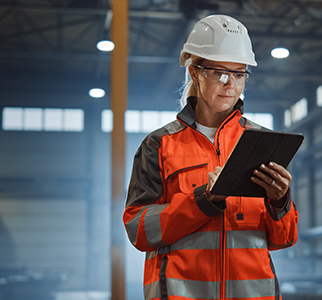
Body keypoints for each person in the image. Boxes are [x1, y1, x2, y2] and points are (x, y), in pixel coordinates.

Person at [123, 14, 299, 300]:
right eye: (219, 72)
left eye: (239, 74)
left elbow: (285, 238)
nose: (230, 84)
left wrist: (280, 202)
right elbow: (139, 229)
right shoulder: (159, 145)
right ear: (195, 73)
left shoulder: (263, 143)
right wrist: (202, 200)